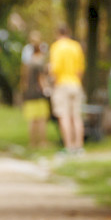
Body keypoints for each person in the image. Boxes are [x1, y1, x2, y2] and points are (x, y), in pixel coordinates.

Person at [49, 25, 86, 154]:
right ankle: (79, 146)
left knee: (64, 116)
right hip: (75, 83)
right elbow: (81, 69)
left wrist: (53, 85)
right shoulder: (76, 46)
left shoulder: (57, 47)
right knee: (76, 116)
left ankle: (69, 146)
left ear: (58, 34)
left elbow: (55, 69)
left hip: (62, 83)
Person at [21, 43, 50, 149]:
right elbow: (41, 78)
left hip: (29, 94)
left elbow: (24, 80)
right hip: (38, 94)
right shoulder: (39, 63)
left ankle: (32, 143)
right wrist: (47, 90)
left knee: (32, 120)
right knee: (42, 119)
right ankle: (43, 142)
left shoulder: (28, 64)